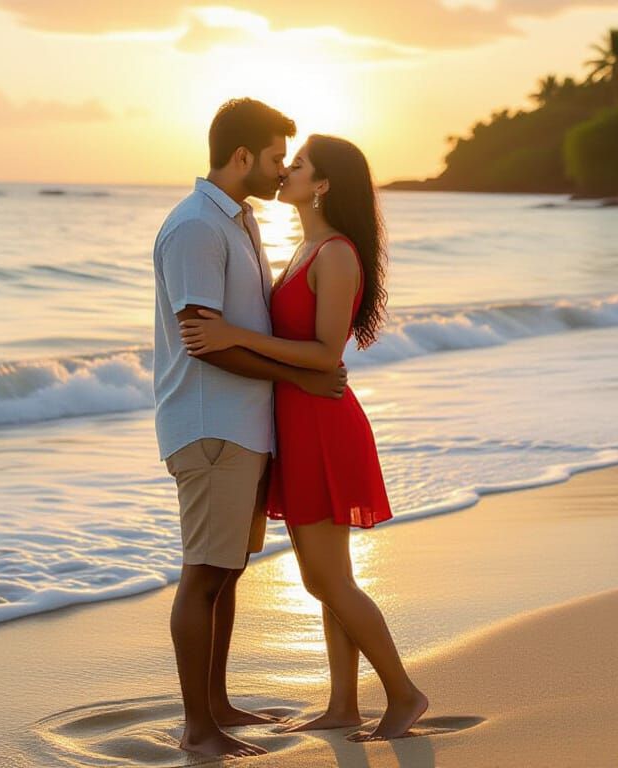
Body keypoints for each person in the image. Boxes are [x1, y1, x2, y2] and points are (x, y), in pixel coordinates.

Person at [180, 134, 429, 741]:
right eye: (284, 162)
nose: (285, 172)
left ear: (322, 185)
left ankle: (403, 692)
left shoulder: (336, 254)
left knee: (326, 580)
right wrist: (236, 337)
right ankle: (344, 705)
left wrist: (233, 337)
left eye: (297, 166)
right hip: (297, 424)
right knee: (327, 578)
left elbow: (323, 355)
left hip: (323, 425)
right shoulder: (303, 248)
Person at [151, 98, 349, 759]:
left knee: (227, 572)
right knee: (204, 573)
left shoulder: (235, 222)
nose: (278, 170)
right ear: (241, 157)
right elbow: (203, 340)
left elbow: (241, 329)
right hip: (210, 424)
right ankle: (198, 729)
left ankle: (217, 703)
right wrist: (300, 377)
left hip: (242, 425)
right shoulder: (195, 230)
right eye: (271, 158)